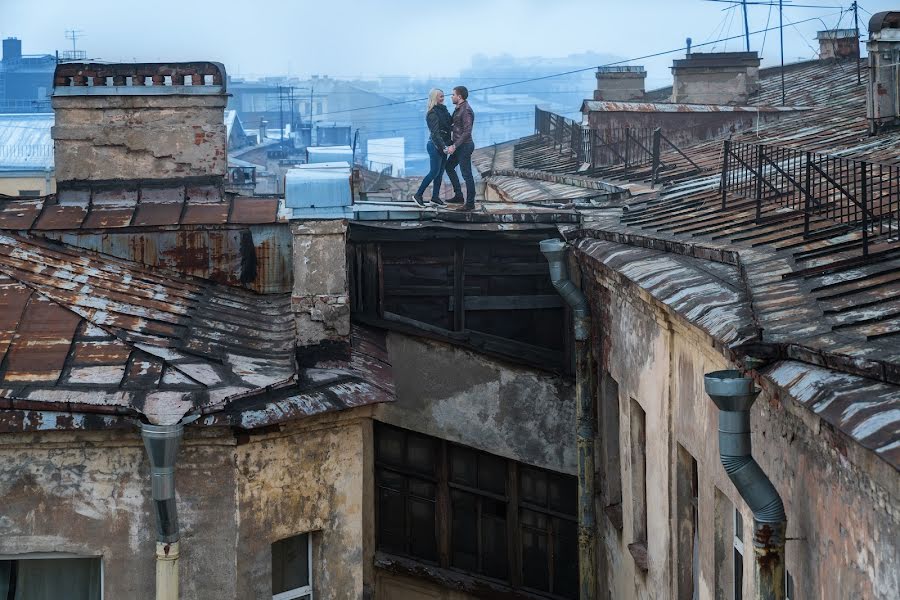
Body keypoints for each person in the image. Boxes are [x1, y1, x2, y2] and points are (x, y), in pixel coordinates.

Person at [411, 88, 452, 207]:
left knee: (440, 174)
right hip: (435, 146)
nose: (443, 98)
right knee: (434, 172)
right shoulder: (432, 113)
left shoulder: (443, 110)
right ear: (434, 98)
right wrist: (444, 146)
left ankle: (435, 198)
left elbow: (450, 124)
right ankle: (418, 195)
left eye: (443, 96)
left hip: (443, 146)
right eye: (440, 96)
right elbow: (435, 133)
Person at [444, 85, 476, 210]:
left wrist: (454, 146)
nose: (451, 97)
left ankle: (470, 204)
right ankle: (458, 195)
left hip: (465, 146)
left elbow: (467, 132)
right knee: (449, 166)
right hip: (459, 145)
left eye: (453, 94)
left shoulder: (466, 110)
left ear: (459, 96)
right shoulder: (458, 108)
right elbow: (455, 126)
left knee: (467, 174)